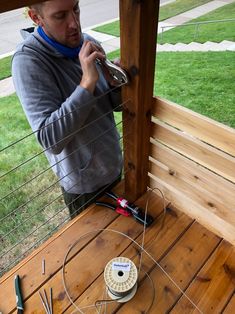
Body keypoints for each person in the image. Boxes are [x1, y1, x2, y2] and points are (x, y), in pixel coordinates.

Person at [12, 0, 123, 219]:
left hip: (113, 166)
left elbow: (113, 107)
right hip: (85, 186)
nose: (74, 23)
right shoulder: (28, 61)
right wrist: (87, 82)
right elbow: (50, 139)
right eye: (60, 16)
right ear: (36, 18)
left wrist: (113, 84)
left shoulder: (88, 43)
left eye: (76, 9)